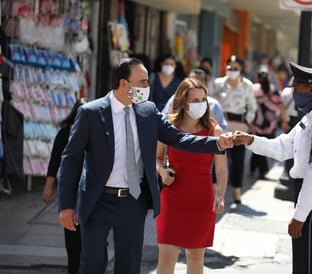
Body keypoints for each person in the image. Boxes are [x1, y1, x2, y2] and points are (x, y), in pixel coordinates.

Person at [57, 58, 234, 274]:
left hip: (134, 201)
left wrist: (216, 143)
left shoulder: (148, 111)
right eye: (142, 82)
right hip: (98, 200)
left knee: (129, 266)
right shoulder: (91, 113)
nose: (147, 87)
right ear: (124, 84)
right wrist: (66, 204)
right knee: (92, 265)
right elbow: (71, 158)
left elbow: (179, 139)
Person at [233, 62, 312, 274]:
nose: (293, 93)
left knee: (308, 269)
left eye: (297, 88)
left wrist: (300, 215)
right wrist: (250, 140)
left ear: (310, 89)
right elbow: (283, 147)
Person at [155, 78, 228, 274]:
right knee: (167, 257)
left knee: (196, 257)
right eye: (194, 100)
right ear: (183, 101)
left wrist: (220, 196)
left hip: (202, 200)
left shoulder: (214, 130)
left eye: (203, 99)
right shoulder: (168, 126)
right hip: (171, 197)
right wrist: (162, 172)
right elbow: (156, 158)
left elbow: (221, 170)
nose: (200, 104)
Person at [41, 99, 86, 274]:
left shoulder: (97, 133)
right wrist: (48, 187)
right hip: (70, 193)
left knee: (92, 243)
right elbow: (54, 162)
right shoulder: (65, 133)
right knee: (73, 240)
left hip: (91, 193)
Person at [209, 55, 257, 204]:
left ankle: (237, 190)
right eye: (230, 68)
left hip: (239, 124)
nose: (233, 71)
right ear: (226, 67)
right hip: (221, 124)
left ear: (241, 68)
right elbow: (212, 101)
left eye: (236, 68)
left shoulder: (247, 85)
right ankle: (215, 190)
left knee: (238, 158)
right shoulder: (218, 83)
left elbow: (252, 106)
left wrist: (247, 121)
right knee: (219, 156)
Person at [162, 68, 227, 132]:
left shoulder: (214, 105)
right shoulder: (169, 129)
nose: (196, 84)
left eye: (203, 99)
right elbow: (163, 118)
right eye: (195, 100)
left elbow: (223, 128)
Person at [250, 71, 288, 178]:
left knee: (255, 144)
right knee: (263, 146)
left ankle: (256, 168)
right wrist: (284, 121)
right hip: (270, 124)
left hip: (256, 123)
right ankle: (260, 169)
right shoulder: (275, 91)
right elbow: (282, 108)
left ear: (257, 79)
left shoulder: (254, 89)